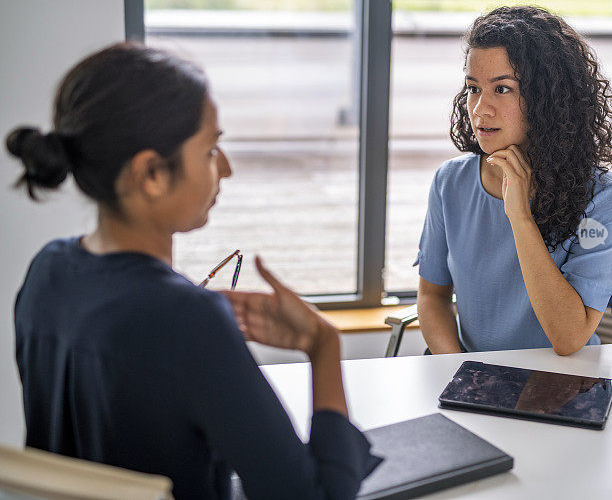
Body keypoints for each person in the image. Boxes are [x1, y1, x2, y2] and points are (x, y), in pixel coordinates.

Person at [8, 43, 379, 499]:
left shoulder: (47, 271)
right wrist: (323, 344)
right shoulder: (188, 319)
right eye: (210, 149)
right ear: (151, 174)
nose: (226, 168)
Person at [415, 6, 612, 356]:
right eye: (473, 89)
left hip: (558, 381)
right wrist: (459, 371)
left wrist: (521, 217)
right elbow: (431, 296)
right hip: (468, 378)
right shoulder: (449, 182)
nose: (480, 109)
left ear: (548, 98)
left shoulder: (604, 198)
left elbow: (569, 338)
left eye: (502, 89)